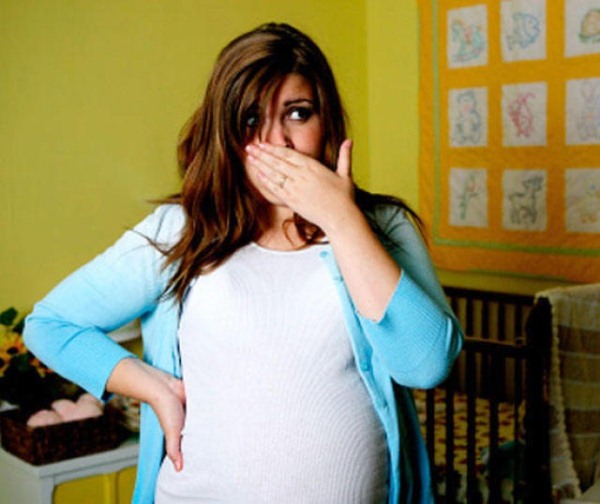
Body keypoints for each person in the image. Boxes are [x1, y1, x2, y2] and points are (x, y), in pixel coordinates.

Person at [24, 22, 463, 504]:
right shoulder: (181, 230)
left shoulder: (380, 226)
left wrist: (341, 219)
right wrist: (155, 388)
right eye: (252, 119)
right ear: (225, 132)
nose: (278, 142)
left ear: (327, 122)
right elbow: (50, 325)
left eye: (298, 113)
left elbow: (425, 366)